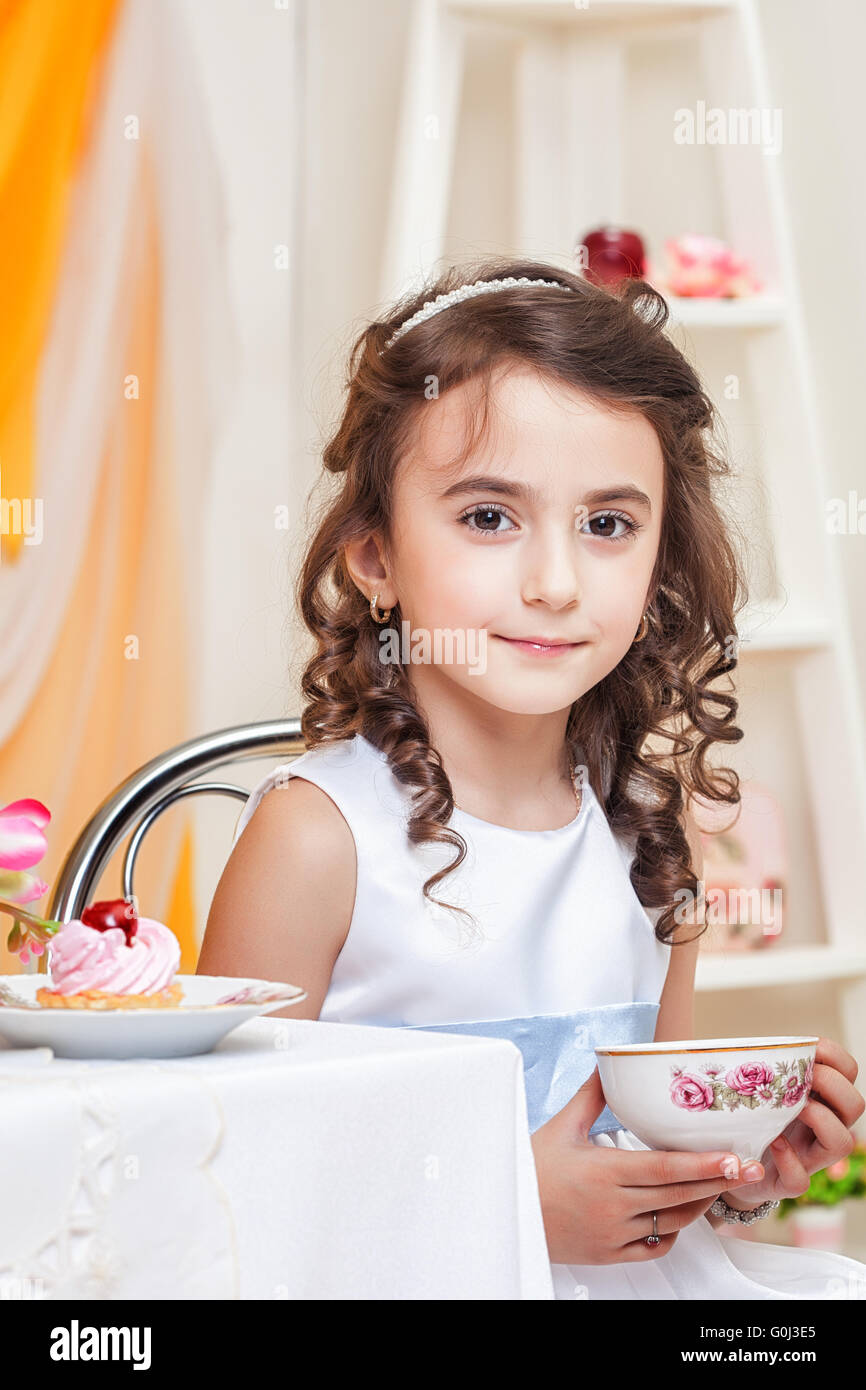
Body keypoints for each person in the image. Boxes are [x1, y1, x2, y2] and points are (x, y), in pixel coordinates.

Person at [198, 260, 866, 1298]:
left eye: (606, 525)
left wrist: (732, 1170)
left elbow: (639, 1153)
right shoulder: (315, 839)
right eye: (487, 517)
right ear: (373, 555)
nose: (552, 582)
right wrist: (507, 1196)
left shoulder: (647, 835)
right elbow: (232, 1182)